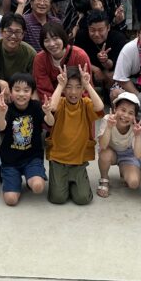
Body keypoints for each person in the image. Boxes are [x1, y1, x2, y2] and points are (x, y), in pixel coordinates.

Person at [46, 66, 104, 205]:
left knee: (83, 198)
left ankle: (75, 181)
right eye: (69, 87)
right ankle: (64, 183)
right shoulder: (60, 103)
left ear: (83, 89)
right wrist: (60, 85)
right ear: (64, 89)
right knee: (58, 198)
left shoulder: (86, 104)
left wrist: (87, 85)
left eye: (78, 87)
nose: (73, 92)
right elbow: (51, 107)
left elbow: (100, 107)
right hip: (58, 160)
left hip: (78, 160)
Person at [0, 73, 47, 205]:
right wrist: (1, 113)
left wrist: (48, 112)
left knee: (38, 187)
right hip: (10, 160)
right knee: (11, 200)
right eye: (17, 90)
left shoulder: (36, 106)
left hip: (32, 157)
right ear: (10, 92)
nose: (21, 94)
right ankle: (12, 179)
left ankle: (30, 177)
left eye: (26, 90)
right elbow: (0, 127)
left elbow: (50, 123)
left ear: (32, 93)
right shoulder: (7, 108)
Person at [96, 91, 141, 198]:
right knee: (105, 154)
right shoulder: (108, 119)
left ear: (135, 116)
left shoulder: (135, 127)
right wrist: (109, 127)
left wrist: (137, 136)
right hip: (111, 151)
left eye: (131, 113)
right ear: (115, 109)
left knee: (134, 183)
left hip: (128, 154)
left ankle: (124, 170)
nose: (125, 115)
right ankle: (104, 179)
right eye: (123, 110)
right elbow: (103, 145)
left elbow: (138, 155)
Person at [32, 21, 90, 103]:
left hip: (77, 101)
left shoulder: (79, 55)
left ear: (63, 37)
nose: (52, 44)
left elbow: (87, 87)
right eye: (46, 40)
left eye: (55, 38)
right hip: (52, 103)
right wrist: (55, 105)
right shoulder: (40, 58)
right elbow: (43, 89)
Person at [74, 10, 130, 92]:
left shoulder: (118, 38)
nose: (96, 34)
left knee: (113, 75)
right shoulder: (81, 36)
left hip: (112, 74)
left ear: (108, 28)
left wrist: (105, 61)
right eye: (92, 30)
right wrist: (95, 69)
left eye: (100, 30)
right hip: (89, 71)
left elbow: (113, 64)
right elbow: (76, 58)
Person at [0, 13, 36, 84]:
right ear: (1, 32)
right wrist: (1, 83)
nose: (13, 36)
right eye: (9, 31)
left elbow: (32, 82)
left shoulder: (30, 53)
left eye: (18, 32)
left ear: (23, 34)